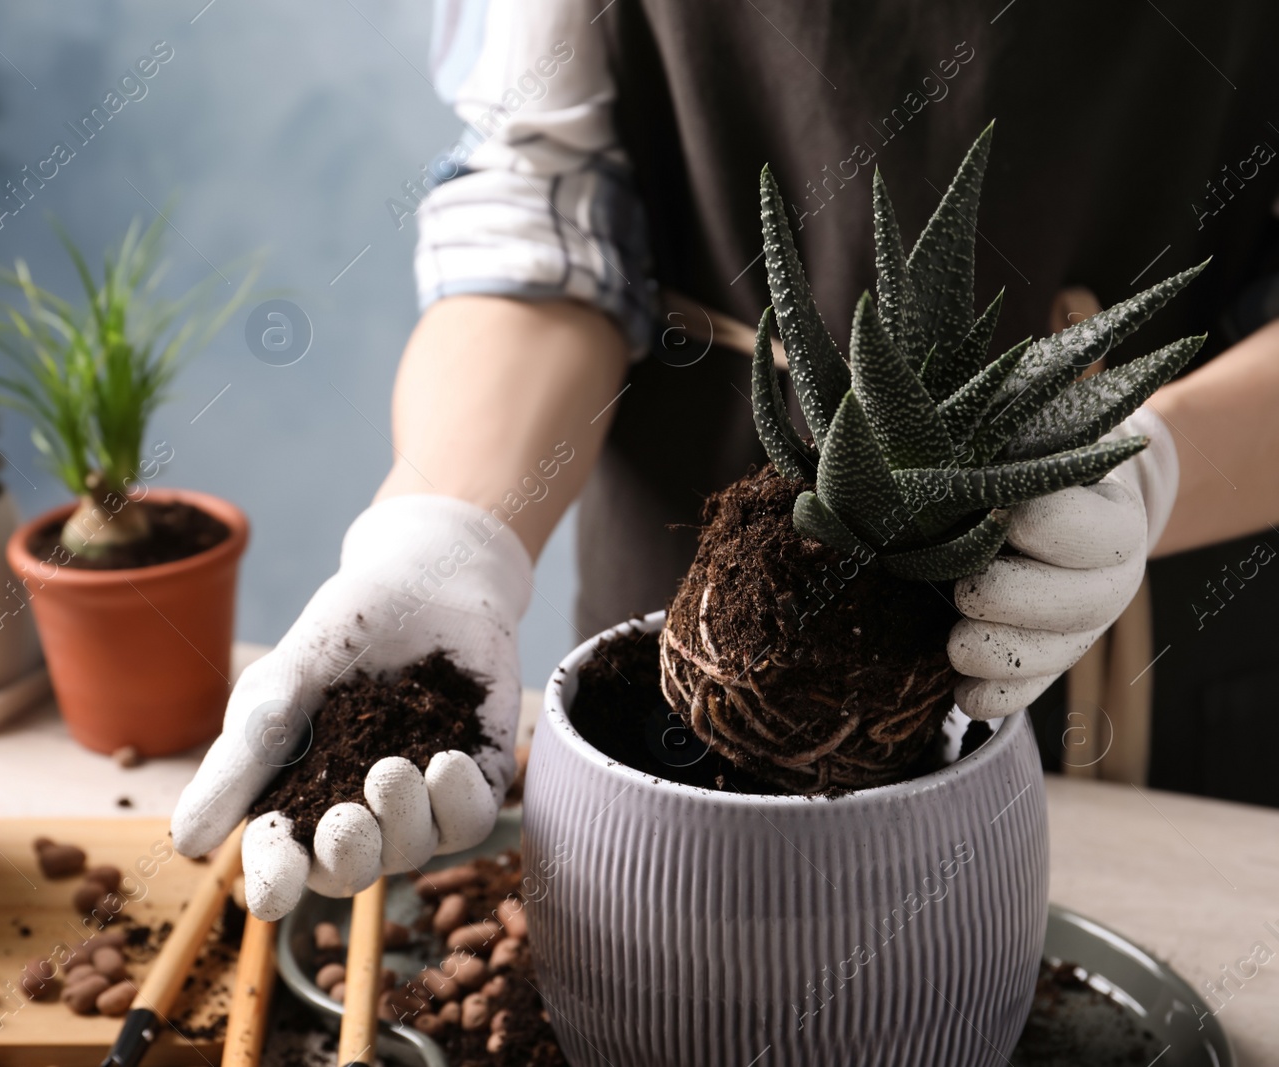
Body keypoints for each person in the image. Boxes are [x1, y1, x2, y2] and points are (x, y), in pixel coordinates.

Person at [175, 0, 1279, 918]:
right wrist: (447, 532)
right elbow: (546, 207)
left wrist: (1152, 465)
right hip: (708, 538)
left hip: (1161, 608)